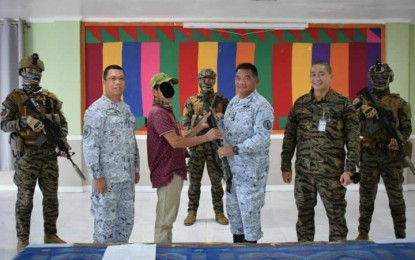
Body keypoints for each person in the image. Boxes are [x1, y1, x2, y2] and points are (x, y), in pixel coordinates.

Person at [280, 61, 360, 242]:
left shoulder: (343, 104)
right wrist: (286, 165)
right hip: (304, 174)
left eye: (321, 74)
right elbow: (290, 137)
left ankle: (338, 254)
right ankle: (305, 253)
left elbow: (353, 140)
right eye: (313, 74)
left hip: (332, 174)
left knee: (336, 217)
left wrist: (350, 170)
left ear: (331, 76)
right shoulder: (300, 104)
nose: (317, 78)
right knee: (304, 216)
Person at [0, 53, 68, 252]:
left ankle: (50, 234)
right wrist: (24, 121)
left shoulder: (50, 98)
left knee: (51, 197)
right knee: (25, 199)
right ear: (22, 72)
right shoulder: (14, 98)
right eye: (30, 71)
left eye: (38, 71)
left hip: (48, 154)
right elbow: (3, 124)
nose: (34, 74)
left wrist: (61, 140)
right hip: (27, 156)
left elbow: (62, 123)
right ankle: (23, 239)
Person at [146, 72, 223, 244]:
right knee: (165, 221)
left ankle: (164, 250)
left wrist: (200, 126)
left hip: (173, 169)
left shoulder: (166, 111)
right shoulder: (159, 113)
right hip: (167, 171)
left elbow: (182, 136)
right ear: (155, 91)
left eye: (170, 86)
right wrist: (206, 137)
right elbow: (176, 142)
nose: (169, 90)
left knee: (168, 219)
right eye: (163, 86)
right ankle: (161, 254)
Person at [353, 60, 412, 241]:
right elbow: (348, 119)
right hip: (369, 155)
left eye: (384, 77)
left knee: (396, 199)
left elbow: (406, 128)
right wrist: (361, 109)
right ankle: (363, 233)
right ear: (371, 78)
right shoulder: (361, 100)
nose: (380, 80)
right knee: (366, 199)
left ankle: (400, 236)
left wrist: (398, 139)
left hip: (391, 156)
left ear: (390, 78)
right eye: (377, 77)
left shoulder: (399, 103)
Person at [83, 64, 140, 243]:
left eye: (121, 78)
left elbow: (131, 140)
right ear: (104, 82)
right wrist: (97, 176)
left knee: (125, 225)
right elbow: (90, 146)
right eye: (113, 78)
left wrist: (136, 167)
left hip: (126, 179)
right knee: (105, 228)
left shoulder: (125, 108)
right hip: (107, 181)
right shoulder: (96, 110)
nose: (117, 83)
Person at [217, 63, 274, 243]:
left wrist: (234, 149)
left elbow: (262, 138)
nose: (241, 82)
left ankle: (251, 253)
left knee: (249, 218)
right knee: (235, 215)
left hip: (251, 173)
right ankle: (238, 251)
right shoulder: (233, 102)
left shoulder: (262, 106)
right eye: (238, 78)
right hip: (232, 172)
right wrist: (216, 121)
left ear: (256, 81)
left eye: (247, 78)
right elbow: (229, 130)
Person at [182, 68, 229, 226]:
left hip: (215, 148)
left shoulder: (222, 100)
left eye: (210, 78)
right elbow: (186, 128)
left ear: (214, 80)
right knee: (194, 183)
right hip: (197, 148)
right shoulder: (191, 101)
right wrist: (199, 120)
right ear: (198, 80)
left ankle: (219, 211)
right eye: (204, 78)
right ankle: (192, 211)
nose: (207, 81)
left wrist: (220, 119)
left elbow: (230, 126)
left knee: (217, 183)